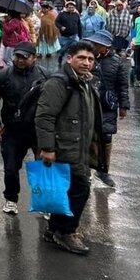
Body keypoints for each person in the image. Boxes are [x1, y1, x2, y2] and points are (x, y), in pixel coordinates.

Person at [36, 41, 105, 255]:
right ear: (69, 58)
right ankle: (67, 232)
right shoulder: (60, 83)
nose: (86, 63)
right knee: (79, 190)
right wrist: (47, 148)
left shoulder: (84, 82)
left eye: (90, 59)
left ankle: (55, 229)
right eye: (81, 58)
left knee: (65, 192)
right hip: (65, 148)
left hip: (79, 147)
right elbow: (44, 117)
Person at [0, 41, 47, 214]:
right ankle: (11, 199)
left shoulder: (44, 76)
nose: (19, 60)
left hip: (39, 131)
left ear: (34, 58)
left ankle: (44, 203)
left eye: (24, 57)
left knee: (43, 166)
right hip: (12, 130)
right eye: (17, 56)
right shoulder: (4, 75)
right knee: (11, 167)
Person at [82, 30, 130, 188]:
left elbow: (122, 85)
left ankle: (103, 171)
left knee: (106, 137)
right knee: (87, 136)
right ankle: (86, 169)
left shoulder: (117, 62)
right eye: (93, 44)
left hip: (107, 106)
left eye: (98, 45)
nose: (94, 47)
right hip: (87, 103)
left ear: (106, 46)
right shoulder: (87, 58)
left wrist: (123, 105)